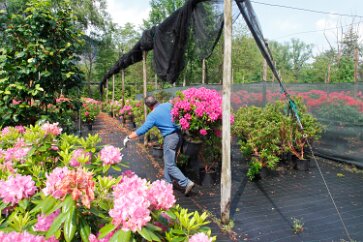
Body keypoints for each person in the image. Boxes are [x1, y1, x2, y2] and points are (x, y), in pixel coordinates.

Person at [123, 95, 195, 195]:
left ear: (149, 106)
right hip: (179, 136)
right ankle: (167, 182)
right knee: (169, 160)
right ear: (156, 101)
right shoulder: (169, 105)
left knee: (170, 164)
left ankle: (186, 182)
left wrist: (129, 137)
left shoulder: (153, 115)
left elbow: (143, 129)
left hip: (170, 138)